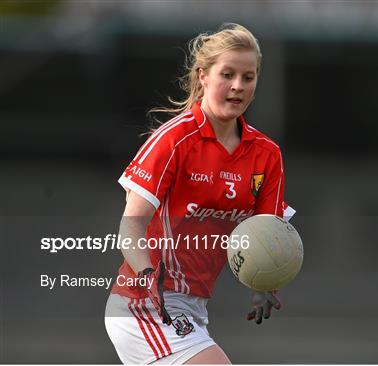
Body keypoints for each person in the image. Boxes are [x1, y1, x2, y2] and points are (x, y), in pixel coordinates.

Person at [104, 23, 295, 364]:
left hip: (192, 309)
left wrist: (265, 286)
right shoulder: (174, 140)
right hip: (142, 304)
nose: (237, 86)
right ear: (203, 75)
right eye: (228, 74)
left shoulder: (266, 155)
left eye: (248, 77)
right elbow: (130, 227)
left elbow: (270, 236)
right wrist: (149, 278)